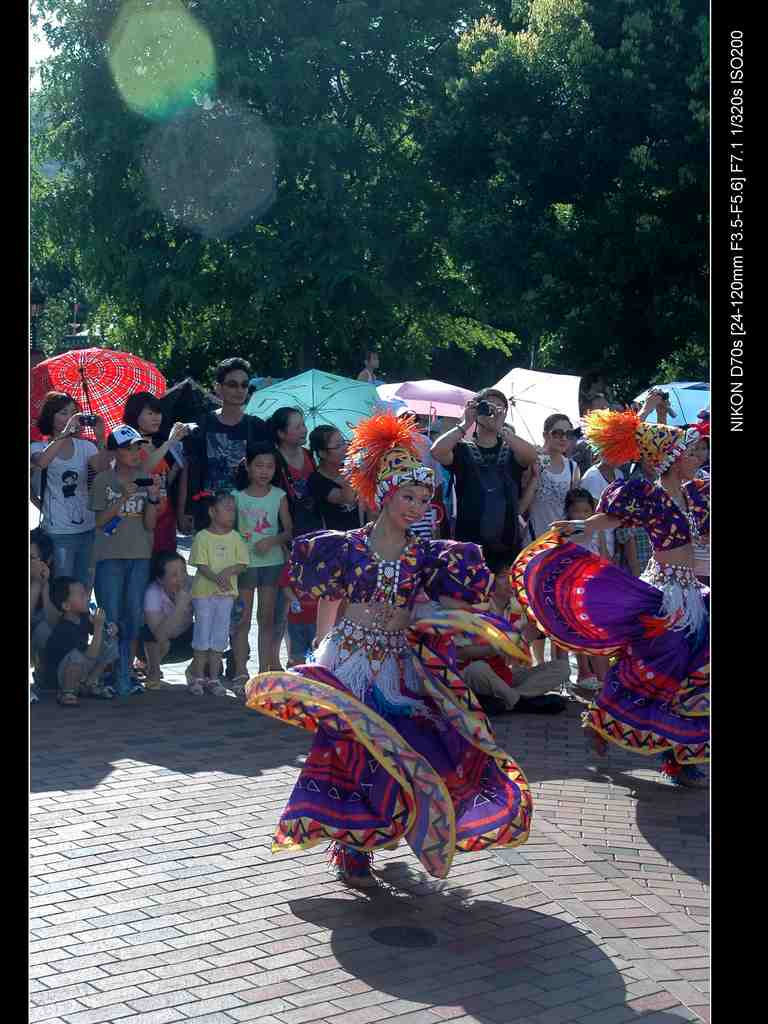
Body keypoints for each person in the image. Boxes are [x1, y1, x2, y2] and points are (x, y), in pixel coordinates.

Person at [245, 410, 532, 887]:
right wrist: (321, 649)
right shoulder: (348, 547)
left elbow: (443, 603)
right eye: (408, 497)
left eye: (423, 499)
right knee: (349, 750)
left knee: (403, 748)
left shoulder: (426, 553)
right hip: (350, 657)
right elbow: (332, 597)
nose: (416, 507)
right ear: (385, 496)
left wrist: (474, 622)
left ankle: (388, 828)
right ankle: (352, 846)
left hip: (398, 663)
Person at [513, 410, 710, 788]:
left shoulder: (696, 494)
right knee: (652, 672)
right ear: (669, 459)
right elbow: (610, 519)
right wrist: (582, 527)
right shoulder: (648, 494)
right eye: (692, 452)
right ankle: (607, 723)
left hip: (694, 597)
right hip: (666, 599)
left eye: (701, 452)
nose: (700, 458)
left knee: (691, 676)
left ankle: (682, 757)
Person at [89, 425, 162, 696]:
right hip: (109, 556)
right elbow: (99, 522)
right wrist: (123, 498)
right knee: (112, 617)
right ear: (116, 451)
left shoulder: (145, 477)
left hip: (139, 554)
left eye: (138, 447)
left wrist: (153, 498)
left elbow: (150, 525)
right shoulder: (102, 480)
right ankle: (108, 673)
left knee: (132, 616)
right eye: (129, 448)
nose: (135, 453)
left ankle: (126, 673)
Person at [431, 389, 538, 566]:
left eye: (499, 407)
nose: (492, 411)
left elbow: (532, 456)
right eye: (487, 406)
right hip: (468, 547)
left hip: (506, 547)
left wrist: (500, 429)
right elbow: (436, 451)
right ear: (477, 409)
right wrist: (466, 423)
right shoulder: (462, 450)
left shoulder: (512, 450)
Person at [457, 560, 568, 715]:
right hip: (479, 675)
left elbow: (519, 657)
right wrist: (496, 647)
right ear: (490, 580)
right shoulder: (477, 608)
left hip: (505, 676)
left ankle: (508, 700)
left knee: (562, 668)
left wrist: (530, 635)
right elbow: (460, 654)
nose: (511, 581)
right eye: (504, 577)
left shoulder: (520, 608)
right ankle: (523, 702)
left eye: (513, 576)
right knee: (477, 669)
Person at [177, 358, 270, 534]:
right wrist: (184, 510)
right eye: (232, 384)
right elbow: (188, 469)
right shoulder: (201, 424)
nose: (240, 390)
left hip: (249, 514)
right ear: (218, 388)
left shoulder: (257, 427)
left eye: (244, 385)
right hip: (208, 513)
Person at [31, 391, 112, 587]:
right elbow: (41, 462)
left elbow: (103, 469)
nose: (70, 417)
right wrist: (67, 432)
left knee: (84, 585)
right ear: (50, 416)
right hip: (58, 530)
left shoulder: (86, 446)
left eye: (74, 413)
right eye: (63, 412)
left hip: (87, 526)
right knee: (62, 586)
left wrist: (101, 438)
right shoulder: (37, 446)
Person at [230, 445, 293, 691]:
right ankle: (240, 671)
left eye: (269, 466)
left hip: (272, 562)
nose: (264, 471)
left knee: (266, 618)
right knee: (242, 619)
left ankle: (264, 670)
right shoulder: (237, 497)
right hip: (245, 564)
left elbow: (288, 530)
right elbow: (230, 531)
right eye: (259, 465)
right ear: (247, 466)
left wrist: (273, 540)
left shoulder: (279, 495)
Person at [188, 490, 249, 696]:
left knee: (219, 636)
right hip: (204, 594)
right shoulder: (202, 537)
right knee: (202, 635)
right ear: (213, 512)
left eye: (234, 510)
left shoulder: (236, 538)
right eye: (227, 509)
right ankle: (197, 676)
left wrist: (229, 572)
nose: (232, 514)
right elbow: (200, 565)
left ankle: (214, 678)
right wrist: (217, 578)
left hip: (226, 595)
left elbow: (242, 563)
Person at [123, 391, 189, 554]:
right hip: (142, 517)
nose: (156, 417)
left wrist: (179, 464)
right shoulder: (128, 445)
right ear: (135, 414)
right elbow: (143, 469)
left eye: (158, 412)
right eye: (150, 413)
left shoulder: (156, 444)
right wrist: (170, 442)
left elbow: (164, 481)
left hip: (166, 517)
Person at [562, 488, 611, 691]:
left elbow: (604, 555)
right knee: (579, 632)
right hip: (575, 590)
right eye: (577, 511)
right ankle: (583, 671)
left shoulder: (597, 530)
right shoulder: (565, 532)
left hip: (595, 588)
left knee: (597, 632)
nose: (581, 515)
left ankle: (603, 679)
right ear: (568, 512)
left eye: (586, 511)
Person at [44, 577, 119, 706]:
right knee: (76, 656)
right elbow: (90, 655)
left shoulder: (83, 617)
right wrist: (98, 627)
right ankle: (67, 692)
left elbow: (101, 638)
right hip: (60, 677)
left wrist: (111, 628)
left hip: (81, 667)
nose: (88, 598)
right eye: (81, 595)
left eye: (86, 593)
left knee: (111, 642)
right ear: (66, 606)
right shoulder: (64, 628)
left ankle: (89, 683)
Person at [141, 551, 194, 689]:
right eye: (174, 575)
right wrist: (180, 606)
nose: (181, 578)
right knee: (151, 636)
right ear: (160, 580)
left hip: (185, 641)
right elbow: (159, 635)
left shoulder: (192, 584)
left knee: (209, 628)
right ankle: (153, 670)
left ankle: (195, 670)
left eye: (183, 571)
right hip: (158, 645)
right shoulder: (152, 592)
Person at [270, 407, 322, 537]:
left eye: (303, 424)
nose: (304, 430)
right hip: (288, 532)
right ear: (281, 433)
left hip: (316, 527)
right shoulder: (273, 462)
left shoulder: (310, 455)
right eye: (297, 427)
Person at [307, 426, 361, 531]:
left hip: (364, 531)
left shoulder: (349, 467)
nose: (345, 447)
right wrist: (351, 467)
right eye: (338, 446)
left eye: (344, 442)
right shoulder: (316, 481)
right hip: (339, 539)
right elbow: (347, 498)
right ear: (322, 453)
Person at [30, 529, 59, 702]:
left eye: (32, 557)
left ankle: (45, 675)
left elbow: (55, 625)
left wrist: (44, 587)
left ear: (47, 561)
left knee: (45, 629)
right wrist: (35, 587)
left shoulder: (54, 582)